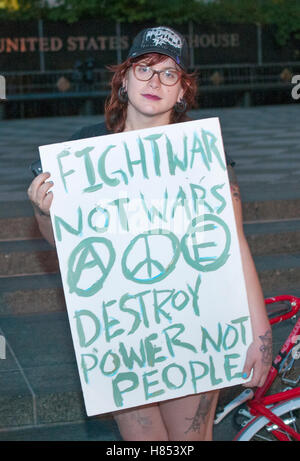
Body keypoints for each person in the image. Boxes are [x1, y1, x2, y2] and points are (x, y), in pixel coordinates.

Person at [27, 26, 272, 441]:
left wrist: (260, 330)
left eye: (169, 73)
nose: (155, 81)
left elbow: (235, 242)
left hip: (196, 327)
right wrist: (44, 211)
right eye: (144, 69)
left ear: (183, 91)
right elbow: (63, 245)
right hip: (125, 335)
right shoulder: (81, 155)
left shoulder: (204, 158)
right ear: (124, 79)